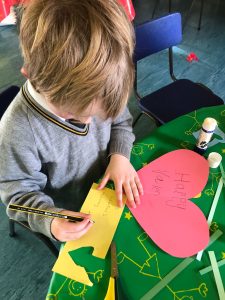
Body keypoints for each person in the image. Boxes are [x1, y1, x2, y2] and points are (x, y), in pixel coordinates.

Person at [0, 0, 143, 242]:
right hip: (72, 208)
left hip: (107, 186)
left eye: (97, 115)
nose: (88, 123)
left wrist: (119, 156)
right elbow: (17, 195)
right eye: (74, 115)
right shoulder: (18, 130)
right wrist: (51, 219)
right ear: (32, 76)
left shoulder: (103, 89)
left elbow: (120, 121)